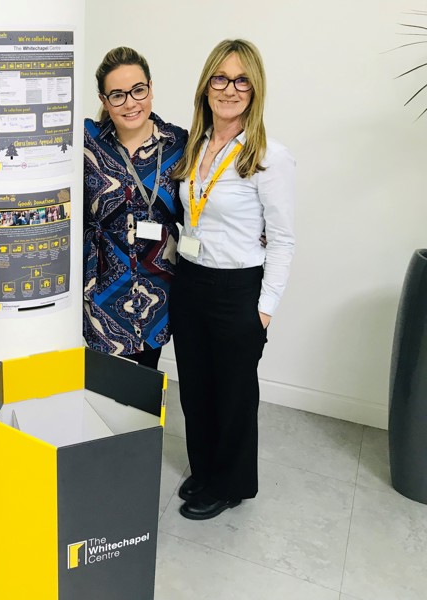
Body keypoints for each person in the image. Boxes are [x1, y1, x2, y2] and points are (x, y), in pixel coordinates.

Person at [170, 39, 295, 520]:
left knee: (235, 394)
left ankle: (230, 484)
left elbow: (283, 240)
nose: (230, 88)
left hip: (238, 289)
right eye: (220, 78)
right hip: (191, 282)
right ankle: (203, 471)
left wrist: (263, 309)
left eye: (242, 80)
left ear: (255, 89)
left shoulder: (269, 156)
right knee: (196, 387)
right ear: (206, 86)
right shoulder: (195, 145)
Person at [83, 47, 188, 368]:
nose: (130, 103)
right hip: (102, 290)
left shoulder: (179, 144)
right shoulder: (87, 144)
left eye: (138, 90)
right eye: (117, 95)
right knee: (104, 393)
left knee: (145, 387)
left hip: (159, 289)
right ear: (104, 101)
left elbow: (203, 206)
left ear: (151, 88)